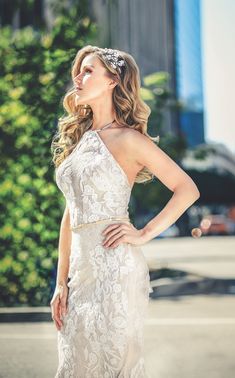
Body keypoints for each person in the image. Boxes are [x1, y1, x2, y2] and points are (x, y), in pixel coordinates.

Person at [50, 45, 200, 377]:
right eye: (79, 70)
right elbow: (70, 214)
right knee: (74, 363)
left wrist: (144, 233)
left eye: (88, 70)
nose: (78, 76)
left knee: (112, 362)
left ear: (112, 80)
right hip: (80, 273)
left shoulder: (129, 139)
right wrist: (61, 283)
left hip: (115, 268)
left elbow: (187, 189)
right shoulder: (81, 140)